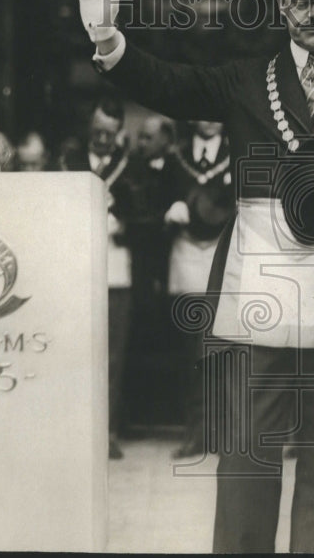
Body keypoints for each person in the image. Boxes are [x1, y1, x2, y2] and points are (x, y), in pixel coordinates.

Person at [77, 0, 314, 552]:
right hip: (258, 285)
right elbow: (169, 83)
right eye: (302, 0)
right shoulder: (244, 78)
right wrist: (108, 34)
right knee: (245, 453)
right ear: (283, 5)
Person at [60, 96, 132, 460]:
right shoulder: (69, 162)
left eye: (111, 133)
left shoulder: (129, 167)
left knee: (113, 357)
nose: (103, 139)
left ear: (119, 133)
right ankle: (75, 432)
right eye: (98, 131)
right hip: (76, 270)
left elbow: (146, 217)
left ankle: (109, 432)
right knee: (75, 353)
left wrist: (124, 224)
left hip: (116, 270)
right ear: (90, 127)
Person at [165, 119, 235, 460]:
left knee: (221, 347)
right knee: (189, 350)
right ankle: (193, 432)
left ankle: (221, 432)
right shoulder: (175, 156)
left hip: (224, 256)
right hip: (187, 255)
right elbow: (153, 198)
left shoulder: (236, 154)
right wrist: (169, 208)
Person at [113, 113, 177, 437]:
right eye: (140, 137)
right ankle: (129, 418)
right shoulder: (131, 169)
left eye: (149, 137)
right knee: (133, 335)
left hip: (172, 261)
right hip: (139, 260)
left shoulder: (180, 170)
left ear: (166, 139)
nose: (142, 143)